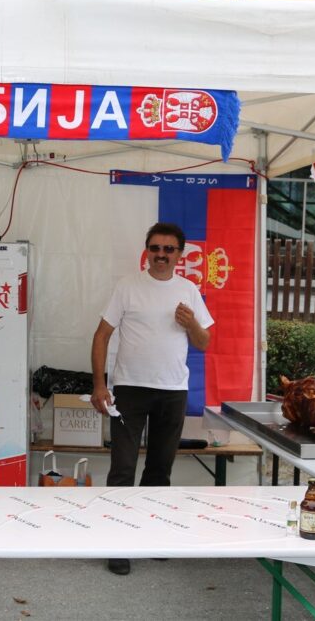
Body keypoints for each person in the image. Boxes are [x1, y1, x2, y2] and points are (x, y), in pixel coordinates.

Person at [90, 222, 214, 576]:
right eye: (155, 248)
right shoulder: (128, 286)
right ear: (147, 251)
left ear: (180, 254)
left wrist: (191, 324)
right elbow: (101, 336)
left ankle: (150, 535)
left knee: (160, 470)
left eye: (168, 249)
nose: (161, 255)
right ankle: (117, 544)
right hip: (129, 390)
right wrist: (99, 385)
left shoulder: (188, 290)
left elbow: (204, 342)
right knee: (122, 469)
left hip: (172, 392)